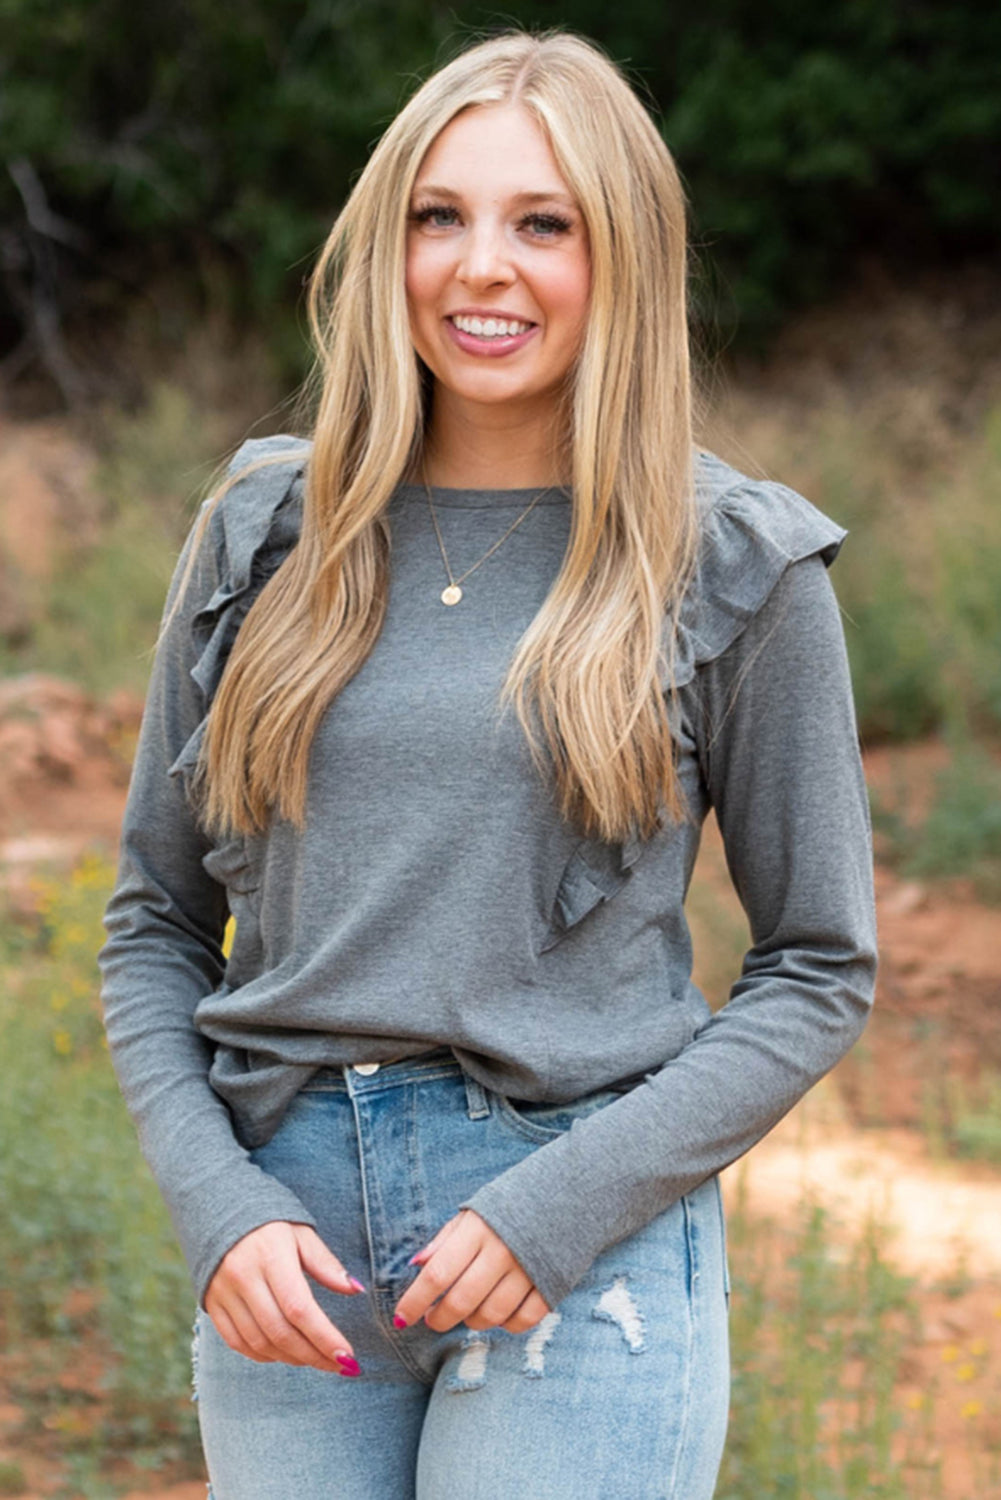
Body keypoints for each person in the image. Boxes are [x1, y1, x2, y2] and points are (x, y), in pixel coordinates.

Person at [98, 26, 877, 1500]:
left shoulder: (732, 562)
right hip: (288, 1249)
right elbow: (150, 920)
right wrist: (219, 1212)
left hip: (575, 1244)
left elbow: (816, 967)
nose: (481, 268)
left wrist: (556, 1214)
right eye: (438, 217)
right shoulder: (265, 533)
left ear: (623, 259)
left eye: (543, 224)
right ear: (387, 245)